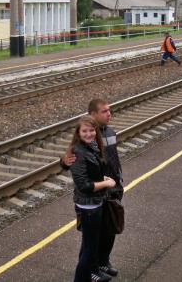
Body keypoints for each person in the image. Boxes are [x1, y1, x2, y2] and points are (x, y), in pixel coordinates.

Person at [62, 99, 123, 279]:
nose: (109, 114)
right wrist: (63, 162)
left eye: (109, 111)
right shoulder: (85, 139)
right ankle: (92, 270)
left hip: (112, 189)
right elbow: (73, 162)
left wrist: (117, 181)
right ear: (93, 115)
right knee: (92, 239)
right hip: (96, 194)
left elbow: (112, 160)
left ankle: (103, 263)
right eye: (104, 111)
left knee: (110, 229)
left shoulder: (109, 132)